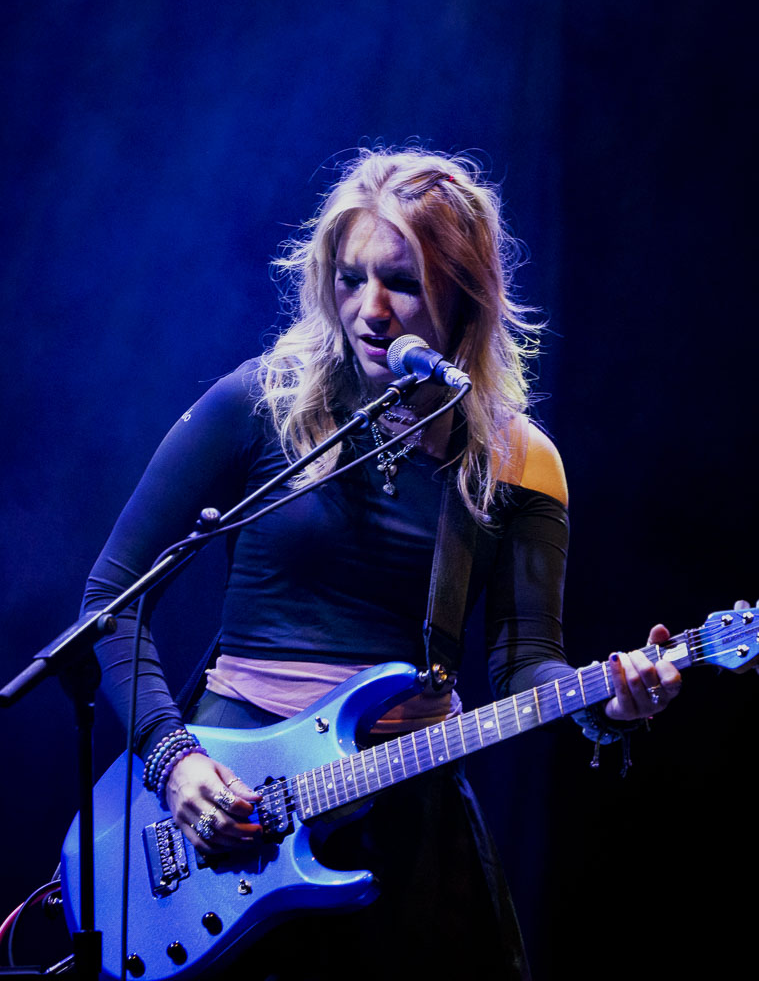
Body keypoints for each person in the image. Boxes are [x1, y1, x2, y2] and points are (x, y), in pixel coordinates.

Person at [82, 147, 681, 980]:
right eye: (350, 278)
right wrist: (171, 756)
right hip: (231, 798)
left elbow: (524, 664)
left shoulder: (518, 460)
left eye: (401, 283)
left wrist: (607, 700)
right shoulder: (261, 404)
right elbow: (112, 599)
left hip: (407, 807)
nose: (370, 310)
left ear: (464, 294)